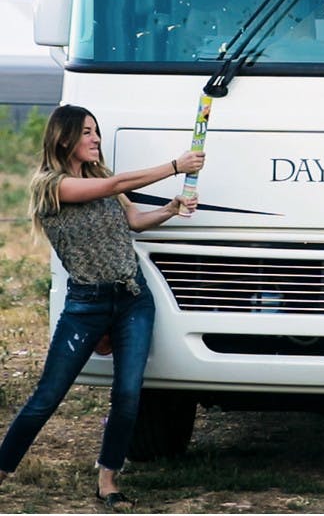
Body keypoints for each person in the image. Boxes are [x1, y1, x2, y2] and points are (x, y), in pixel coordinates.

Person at [0, 104, 205, 509]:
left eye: (96, 131)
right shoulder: (51, 185)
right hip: (86, 304)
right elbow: (116, 185)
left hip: (133, 299)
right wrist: (174, 166)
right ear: (63, 138)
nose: (96, 138)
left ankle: (108, 480)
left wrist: (170, 209)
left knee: (128, 395)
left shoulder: (102, 177)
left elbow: (134, 222)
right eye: (87, 132)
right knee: (47, 396)